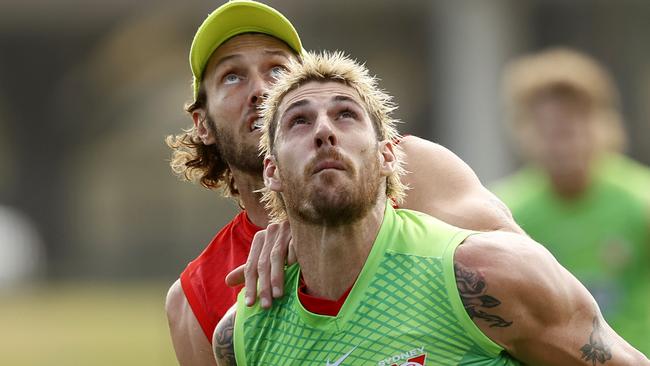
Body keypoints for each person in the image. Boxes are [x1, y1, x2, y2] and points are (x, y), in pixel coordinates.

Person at [213, 50, 649, 366]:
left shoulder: (484, 274)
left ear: (388, 156)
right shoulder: (245, 337)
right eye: (299, 121)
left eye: (346, 115)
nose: (325, 131)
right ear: (271, 170)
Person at [165, 2, 521, 365]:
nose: (261, 89)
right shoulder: (196, 297)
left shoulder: (410, 168)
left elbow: (534, 285)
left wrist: (335, 229)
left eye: (277, 69)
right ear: (202, 124)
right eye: (232, 76)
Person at [491, 47, 650, 354]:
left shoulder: (641, 201)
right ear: (521, 131)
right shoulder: (503, 213)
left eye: (570, 129)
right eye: (548, 130)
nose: (561, 144)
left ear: (604, 125)